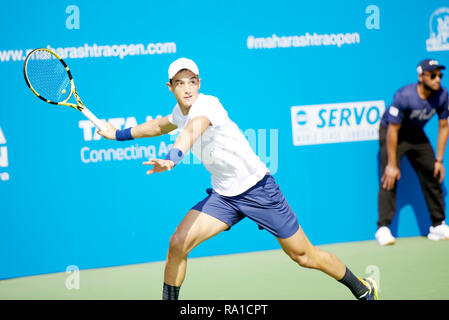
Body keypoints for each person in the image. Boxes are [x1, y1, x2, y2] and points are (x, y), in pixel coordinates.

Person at [98, 57, 378, 300]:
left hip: (258, 189)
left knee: (304, 256)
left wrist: (173, 157)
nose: (187, 88)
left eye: (192, 81)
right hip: (224, 196)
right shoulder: (178, 112)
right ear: (170, 87)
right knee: (178, 242)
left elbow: (192, 131)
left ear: (199, 82)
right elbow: (159, 125)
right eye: (179, 83)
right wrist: (117, 134)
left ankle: (362, 288)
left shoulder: (208, 105)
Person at [376, 59, 449, 246]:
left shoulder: (442, 96)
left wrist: (439, 160)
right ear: (421, 76)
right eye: (433, 75)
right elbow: (392, 130)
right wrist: (392, 164)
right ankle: (383, 228)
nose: (437, 79)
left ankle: (437, 225)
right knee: (389, 176)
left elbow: (443, 126)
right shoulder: (404, 96)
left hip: (416, 134)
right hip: (394, 133)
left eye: (440, 75)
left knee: (432, 171)